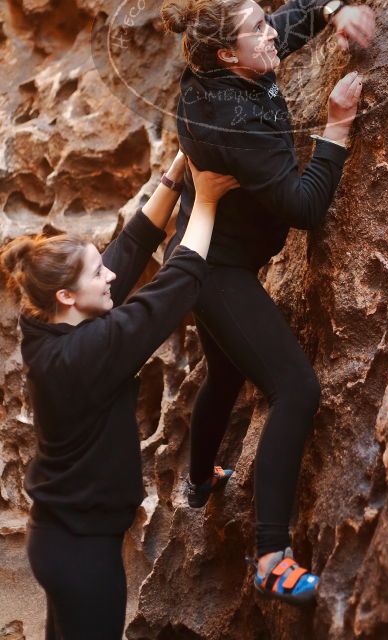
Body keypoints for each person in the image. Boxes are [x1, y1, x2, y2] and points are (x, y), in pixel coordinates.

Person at [160, 0, 374, 605]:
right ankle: (271, 557)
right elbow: (305, 207)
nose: (272, 32)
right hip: (216, 270)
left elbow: (300, 9)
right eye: (259, 29)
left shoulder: (226, 58)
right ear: (230, 55)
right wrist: (337, 126)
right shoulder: (235, 124)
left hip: (207, 251)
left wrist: (337, 13)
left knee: (225, 375)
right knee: (295, 389)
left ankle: (200, 482)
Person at [0, 151, 238, 640]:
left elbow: (128, 250)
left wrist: (177, 172)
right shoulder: (83, 356)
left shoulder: (44, 322)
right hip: (81, 550)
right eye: (96, 273)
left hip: (61, 536)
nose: (109, 275)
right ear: (67, 295)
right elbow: (170, 291)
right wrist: (208, 201)